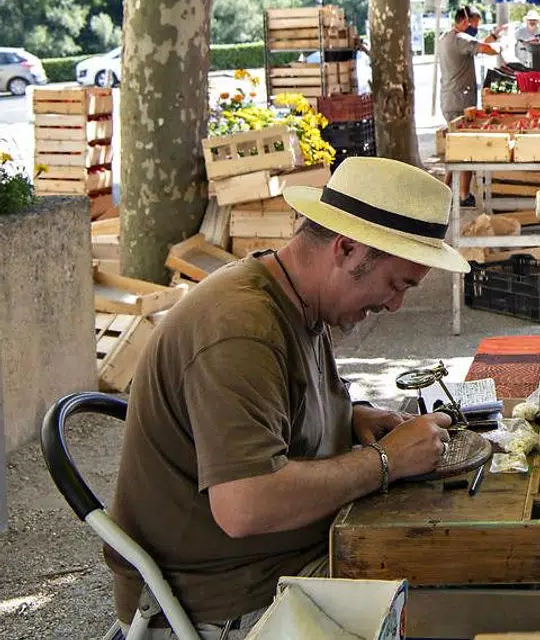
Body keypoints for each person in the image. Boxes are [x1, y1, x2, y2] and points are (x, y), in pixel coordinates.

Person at [106, 157, 472, 639]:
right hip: (224, 600)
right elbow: (246, 504)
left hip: (270, 564)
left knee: (460, 567)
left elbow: (280, 413)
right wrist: (385, 461)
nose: (395, 305)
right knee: (465, 597)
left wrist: (351, 418)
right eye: (397, 283)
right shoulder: (241, 329)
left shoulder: (297, 300)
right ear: (345, 249)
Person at [439, 5, 484, 206]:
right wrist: (498, 46)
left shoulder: (444, 38)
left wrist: (492, 35)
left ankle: (445, 193)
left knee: (457, 149)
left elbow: (479, 44)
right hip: (460, 101)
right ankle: (462, 195)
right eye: (474, 23)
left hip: (449, 99)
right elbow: (485, 48)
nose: (475, 27)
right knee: (467, 149)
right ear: (465, 22)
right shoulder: (461, 39)